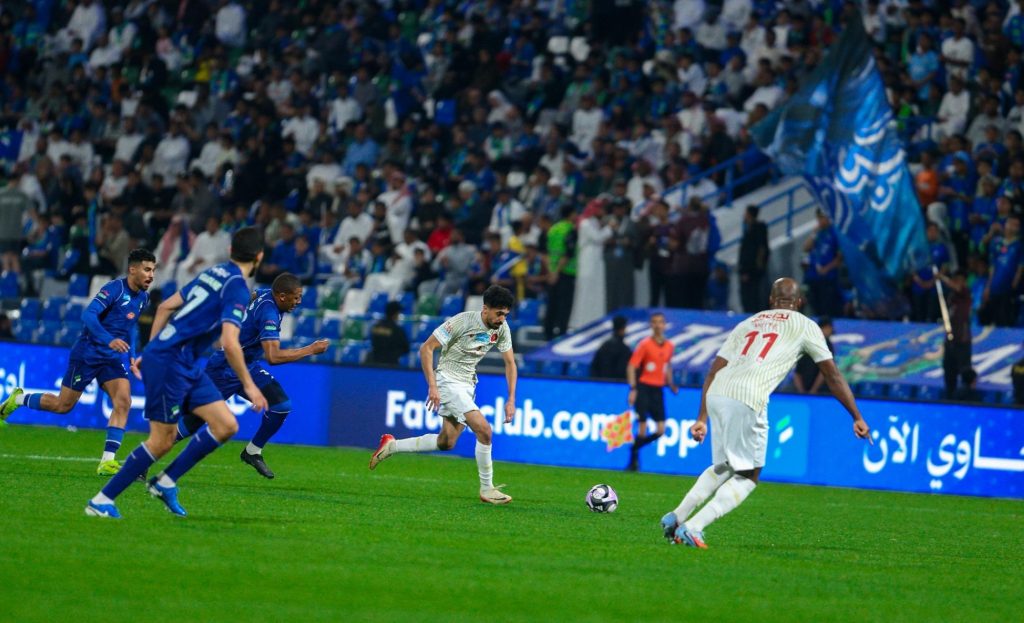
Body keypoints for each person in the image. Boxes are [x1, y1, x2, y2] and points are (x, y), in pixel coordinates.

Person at [660, 278, 871, 548]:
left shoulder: (748, 323)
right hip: (748, 397)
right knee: (749, 475)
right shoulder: (805, 325)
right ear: (799, 302)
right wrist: (856, 415)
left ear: (771, 300)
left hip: (718, 391)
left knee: (726, 465)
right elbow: (832, 375)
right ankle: (693, 527)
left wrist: (702, 418)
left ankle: (676, 517)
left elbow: (713, 370)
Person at [83, 227, 270, 519]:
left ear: (230, 250)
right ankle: (101, 500)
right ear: (259, 256)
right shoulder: (237, 287)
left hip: (180, 361)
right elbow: (230, 342)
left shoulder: (213, 273)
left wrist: (151, 349)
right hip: (170, 363)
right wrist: (250, 385)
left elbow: (166, 306)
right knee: (162, 440)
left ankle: (165, 482)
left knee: (225, 425)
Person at [1, 249, 157, 475]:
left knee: (123, 401)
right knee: (62, 405)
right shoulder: (114, 289)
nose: (151, 275)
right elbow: (88, 315)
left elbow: (130, 326)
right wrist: (108, 339)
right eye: (147, 269)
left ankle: (107, 462)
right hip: (87, 354)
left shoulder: (143, 298)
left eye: (153, 270)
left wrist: (132, 353)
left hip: (111, 358)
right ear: (132, 269)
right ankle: (18, 398)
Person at [368, 285, 518, 505]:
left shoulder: (502, 328)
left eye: (505, 314)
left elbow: (510, 363)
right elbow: (426, 348)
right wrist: (433, 386)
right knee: (484, 430)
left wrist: (511, 399)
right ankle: (487, 489)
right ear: (485, 309)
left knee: (446, 442)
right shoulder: (462, 321)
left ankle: (392, 445)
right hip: (447, 380)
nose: (502, 319)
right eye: (499, 313)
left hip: (467, 384)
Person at [175, 273, 329, 479]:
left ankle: (252, 452)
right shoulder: (269, 314)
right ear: (282, 296)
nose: (299, 301)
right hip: (224, 368)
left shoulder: (267, 294)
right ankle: (148, 456)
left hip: (248, 365)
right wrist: (310, 349)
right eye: (296, 297)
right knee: (194, 421)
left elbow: (254, 294)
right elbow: (273, 357)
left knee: (281, 405)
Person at [626, 312, 678, 472]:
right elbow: (632, 366)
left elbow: (667, 365)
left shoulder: (670, 346)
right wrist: (633, 388)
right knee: (642, 427)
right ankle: (634, 462)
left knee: (661, 430)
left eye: (660, 322)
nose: (657, 325)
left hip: (658, 390)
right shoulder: (644, 344)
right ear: (651, 325)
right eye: (654, 322)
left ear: (664, 325)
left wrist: (670, 383)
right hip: (643, 388)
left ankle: (634, 448)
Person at [937, 269, 973, 399]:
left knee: (964, 371)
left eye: (959, 280)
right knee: (949, 371)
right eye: (955, 279)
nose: (957, 282)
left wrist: (942, 277)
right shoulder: (952, 297)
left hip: (962, 341)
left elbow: (957, 287)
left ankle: (966, 397)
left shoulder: (965, 293)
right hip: (950, 341)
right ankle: (949, 396)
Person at [738, 205, 770, 312]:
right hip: (751, 270)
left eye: (745, 213)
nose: (744, 216)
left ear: (749, 215)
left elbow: (758, 250)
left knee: (753, 298)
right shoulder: (749, 229)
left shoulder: (757, 229)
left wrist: (749, 270)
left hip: (752, 271)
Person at [793, 316, 835, 394]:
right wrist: (813, 391)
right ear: (827, 327)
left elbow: (797, 373)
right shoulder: (826, 344)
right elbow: (825, 371)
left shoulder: (805, 342)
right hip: (820, 392)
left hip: (805, 390)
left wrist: (801, 392)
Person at [368, 301, 411, 366]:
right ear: (395, 314)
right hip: (391, 365)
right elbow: (406, 348)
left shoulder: (376, 327)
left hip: (375, 363)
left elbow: (373, 342)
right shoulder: (397, 330)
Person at [590, 315, 632, 380]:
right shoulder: (624, 349)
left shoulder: (604, 346)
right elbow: (623, 370)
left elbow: (594, 366)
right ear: (623, 329)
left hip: (602, 383)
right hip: (617, 383)